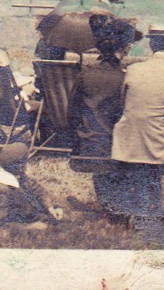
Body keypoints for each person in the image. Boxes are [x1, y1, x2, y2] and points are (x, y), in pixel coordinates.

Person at [110, 24, 164, 227]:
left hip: (130, 137)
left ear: (152, 45)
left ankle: (140, 210)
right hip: (161, 141)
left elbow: (123, 102)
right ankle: (148, 212)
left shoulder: (133, 70)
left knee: (140, 173)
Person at [68, 30, 132, 218]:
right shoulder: (123, 80)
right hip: (115, 151)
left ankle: (108, 203)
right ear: (122, 50)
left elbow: (72, 112)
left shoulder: (85, 75)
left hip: (87, 145)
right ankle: (115, 206)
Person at [0, 142, 64, 230]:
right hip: (22, 224)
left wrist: (50, 207)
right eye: (24, 163)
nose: (26, 166)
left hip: (31, 214)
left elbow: (38, 190)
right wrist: (30, 227)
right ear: (18, 166)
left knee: (66, 220)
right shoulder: (2, 190)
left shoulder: (18, 175)